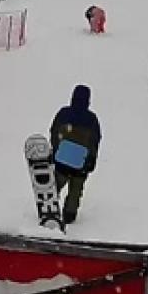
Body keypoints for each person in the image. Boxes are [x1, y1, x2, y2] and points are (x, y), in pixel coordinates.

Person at [50, 85, 101, 224]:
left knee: (55, 185)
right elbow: (94, 141)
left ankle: (49, 208)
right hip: (80, 164)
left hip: (62, 159)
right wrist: (91, 160)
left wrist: (55, 150)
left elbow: (54, 132)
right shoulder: (92, 119)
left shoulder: (64, 113)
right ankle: (69, 215)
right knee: (75, 191)